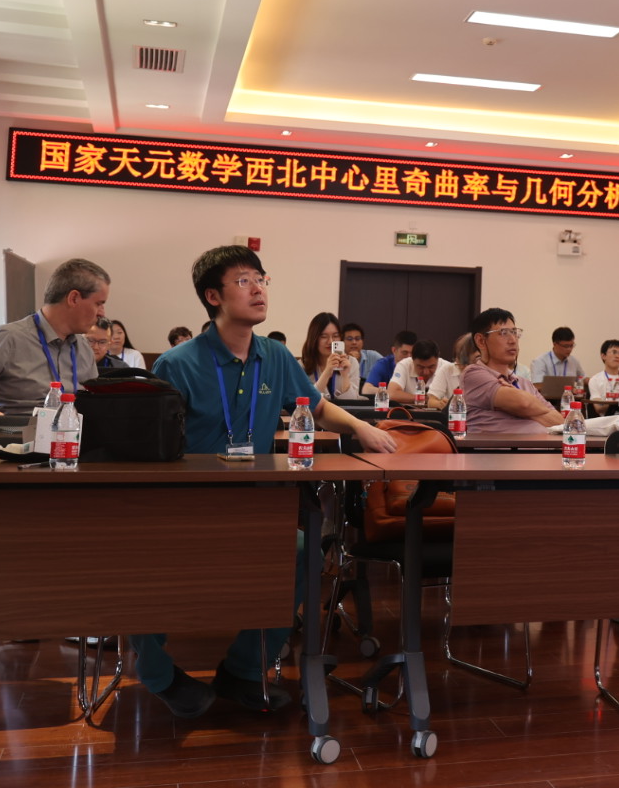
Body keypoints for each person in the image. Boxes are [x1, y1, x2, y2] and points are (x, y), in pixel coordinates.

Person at [139, 245, 393, 719]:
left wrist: (361, 427)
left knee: (305, 551)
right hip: (185, 506)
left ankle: (242, 669)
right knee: (139, 566)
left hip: (252, 506)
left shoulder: (274, 355)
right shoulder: (177, 363)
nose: (258, 289)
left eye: (261, 279)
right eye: (243, 281)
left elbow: (316, 407)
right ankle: (157, 675)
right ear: (213, 296)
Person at [0, 258, 110, 414]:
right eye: (99, 304)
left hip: (73, 428)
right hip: (16, 429)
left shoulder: (83, 347)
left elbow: (94, 405)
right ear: (74, 298)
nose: (102, 313)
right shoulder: (7, 339)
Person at [464, 309, 564, 433]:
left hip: (541, 444)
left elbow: (560, 422)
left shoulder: (524, 383)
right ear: (481, 341)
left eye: (514, 332)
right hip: (498, 446)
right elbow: (523, 403)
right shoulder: (473, 374)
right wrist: (528, 407)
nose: (513, 340)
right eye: (503, 333)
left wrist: (523, 406)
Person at [300, 312, 360, 399]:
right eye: (324, 336)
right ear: (314, 338)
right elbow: (307, 400)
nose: (330, 341)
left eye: (335, 336)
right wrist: (327, 372)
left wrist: (345, 376)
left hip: (342, 409)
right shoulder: (301, 366)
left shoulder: (351, 362)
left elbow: (352, 403)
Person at [387, 339, 456, 408]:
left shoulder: (448, 368)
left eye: (431, 367)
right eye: (421, 367)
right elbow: (392, 394)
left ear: (438, 359)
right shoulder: (404, 365)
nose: (426, 372)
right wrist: (428, 399)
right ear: (412, 359)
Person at [364, 330, 416, 396]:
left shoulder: (419, 365)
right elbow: (366, 389)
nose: (409, 357)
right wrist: (391, 392)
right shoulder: (383, 364)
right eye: (404, 353)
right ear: (394, 350)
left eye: (412, 353)